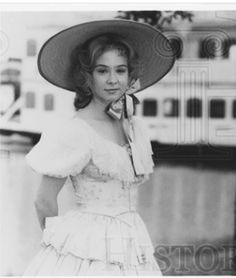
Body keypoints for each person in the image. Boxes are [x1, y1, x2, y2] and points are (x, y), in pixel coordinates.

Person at [23, 19, 175, 275]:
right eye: (102, 71)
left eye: (121, 70)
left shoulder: (133, 126)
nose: (113, 80)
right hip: (87, 245)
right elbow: (44, 201)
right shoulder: (75, 130)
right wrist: (62, 247)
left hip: (132, 240)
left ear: (130, 75)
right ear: (87, 77)